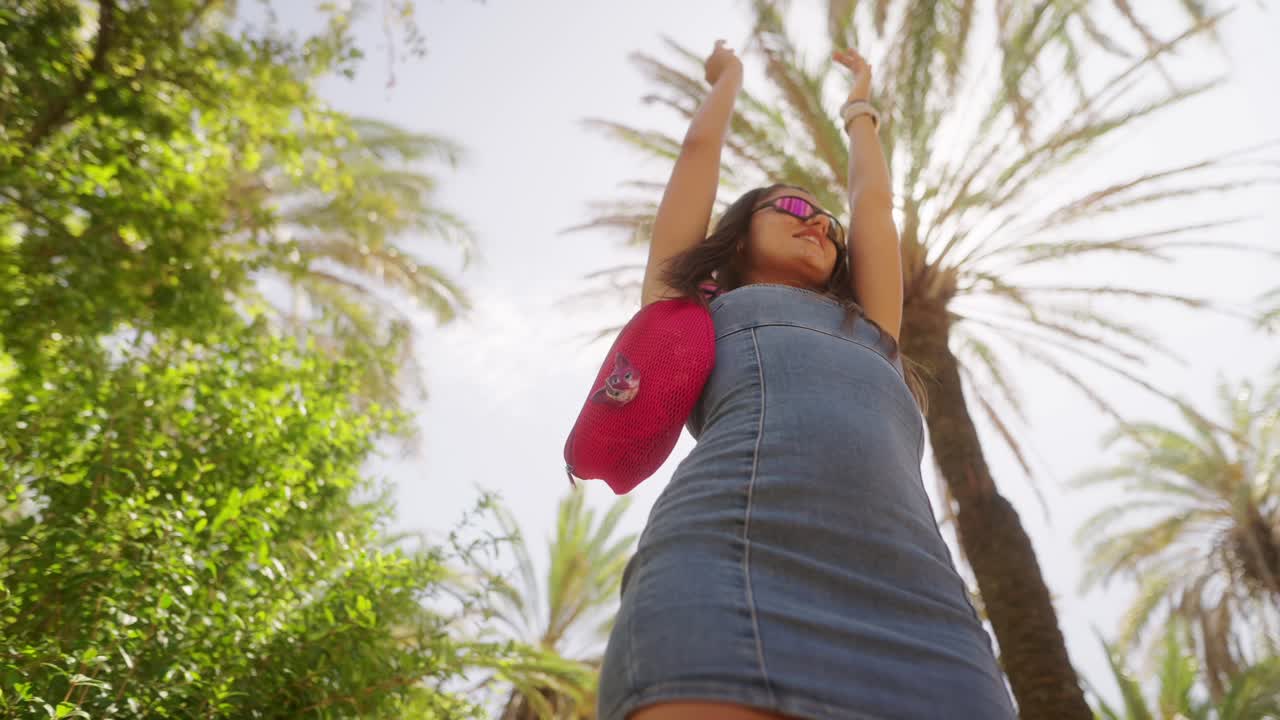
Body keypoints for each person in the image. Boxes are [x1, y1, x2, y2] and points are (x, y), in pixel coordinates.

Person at [595, 40, 1018, 720]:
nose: (820, 221)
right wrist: (727, 79)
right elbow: (699, 156)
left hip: (922, 603)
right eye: (792, 210)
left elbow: (872, 202)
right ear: (735, 238)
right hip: (724, 565)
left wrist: (860, 108)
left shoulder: (874, 326)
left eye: (828, 223)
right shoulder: (691, 311)